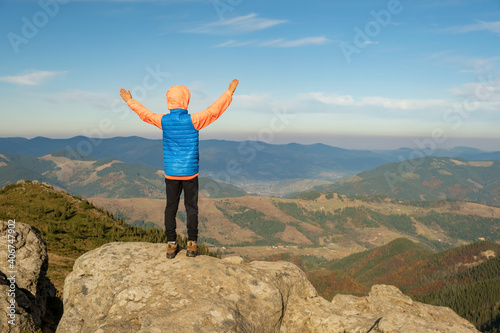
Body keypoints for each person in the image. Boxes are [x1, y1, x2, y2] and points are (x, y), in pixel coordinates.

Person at [120, 79, 239, 259]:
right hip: (190, 173)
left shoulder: (164, 121)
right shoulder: (195, 120)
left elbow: (145, 114)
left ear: (169, 100)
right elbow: (214, 111)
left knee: (171, 207)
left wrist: (130, 101)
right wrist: (229, 92)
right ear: (186, 100)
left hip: (171, 173)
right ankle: (192, 244)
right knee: (191, 207)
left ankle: (170, 244)